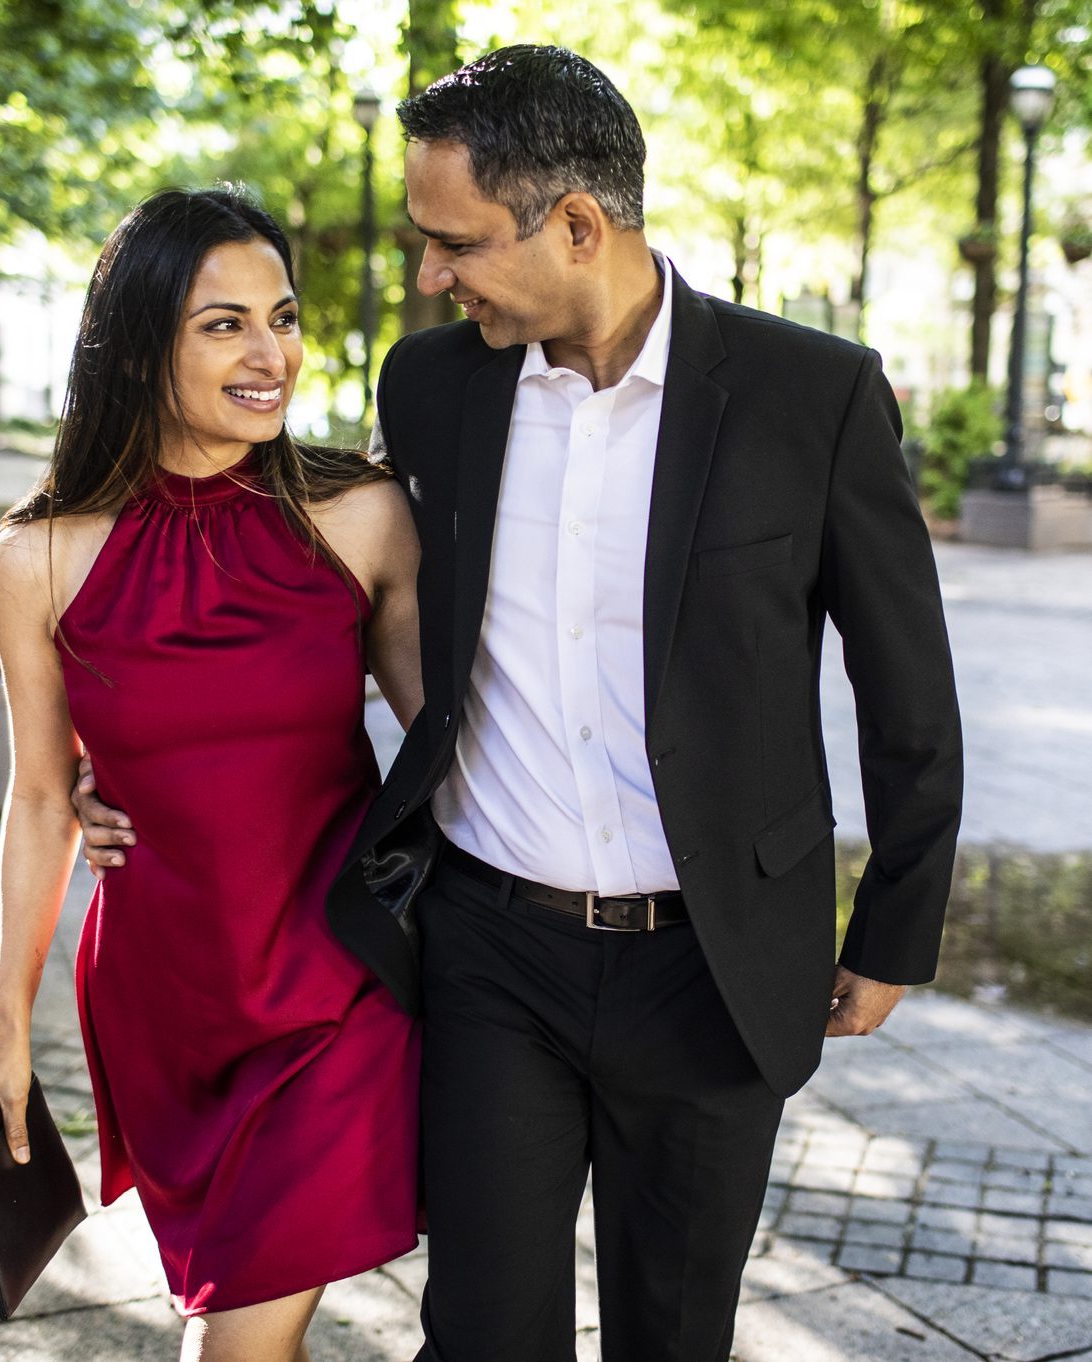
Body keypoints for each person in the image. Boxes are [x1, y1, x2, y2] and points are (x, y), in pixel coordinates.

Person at [75, 47, 964, 1362]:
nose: (430, 276)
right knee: (484, 1334)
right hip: (490, 950)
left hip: (713, 961)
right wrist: (122, 756)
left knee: (674, 1334)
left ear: (577, 225)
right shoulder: (433, 386)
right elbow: (299, 576)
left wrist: (894, 930)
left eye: (455, 243)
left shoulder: (811, 393)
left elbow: (907, 687)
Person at [0, 187, 424, 1362]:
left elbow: (458, 746)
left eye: (283, 318)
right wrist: (5, 1030)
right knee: (239, 1319)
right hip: (167, 1008)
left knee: (238, 1339)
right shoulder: (38, 555)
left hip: (336, 989)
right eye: (224, 325)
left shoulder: (361, 515)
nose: (272, 355)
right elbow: (41, 795)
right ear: (139, 344)